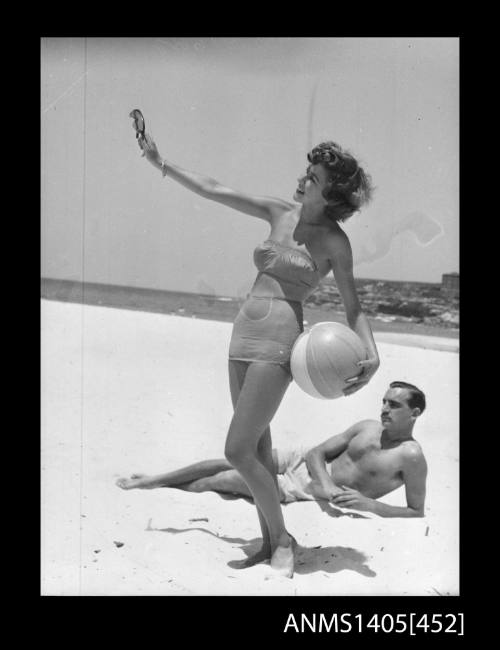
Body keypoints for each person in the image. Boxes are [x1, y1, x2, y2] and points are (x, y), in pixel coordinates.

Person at [133, 124, 380, 577]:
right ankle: (269, 543)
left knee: (237, 449)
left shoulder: (334, 242)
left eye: (317, 177)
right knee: (259, 450)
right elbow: (214, 189)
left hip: (280, 341)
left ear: (332, 193)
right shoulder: (279, 212)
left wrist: (372, 352)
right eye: (308, 171)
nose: (306, 178)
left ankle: (283, 539)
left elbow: (353, 306)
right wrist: (160, 162)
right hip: (242, 332)